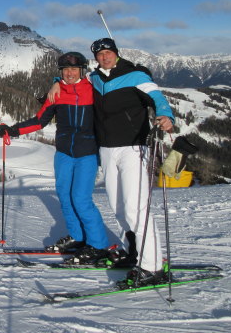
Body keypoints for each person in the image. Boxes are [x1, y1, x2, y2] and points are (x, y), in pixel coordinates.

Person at [0, 52, 110, 264]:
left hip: (87, 153)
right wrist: (13, 130)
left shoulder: (93, 89)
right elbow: (40, 121)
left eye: (74, 70)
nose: (69, 73)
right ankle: (78, 237)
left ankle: (98, 245)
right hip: (64, 153)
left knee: (81, 198)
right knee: (64, 196)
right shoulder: (56, 94)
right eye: (65, 70)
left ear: (81, 71)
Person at [85, 38, 174, 288]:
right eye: (100, 54)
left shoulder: (135, 75)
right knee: (118, 207)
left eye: (108, 52)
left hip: (134, 147)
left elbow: (157, 98)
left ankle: (153, 266)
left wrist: (165, 115)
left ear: (116, 53)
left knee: (136, 209)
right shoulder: (95, 79)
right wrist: (55, 85)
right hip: (107, 149)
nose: (105, 57)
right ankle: (133, 252)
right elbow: (72, 83)